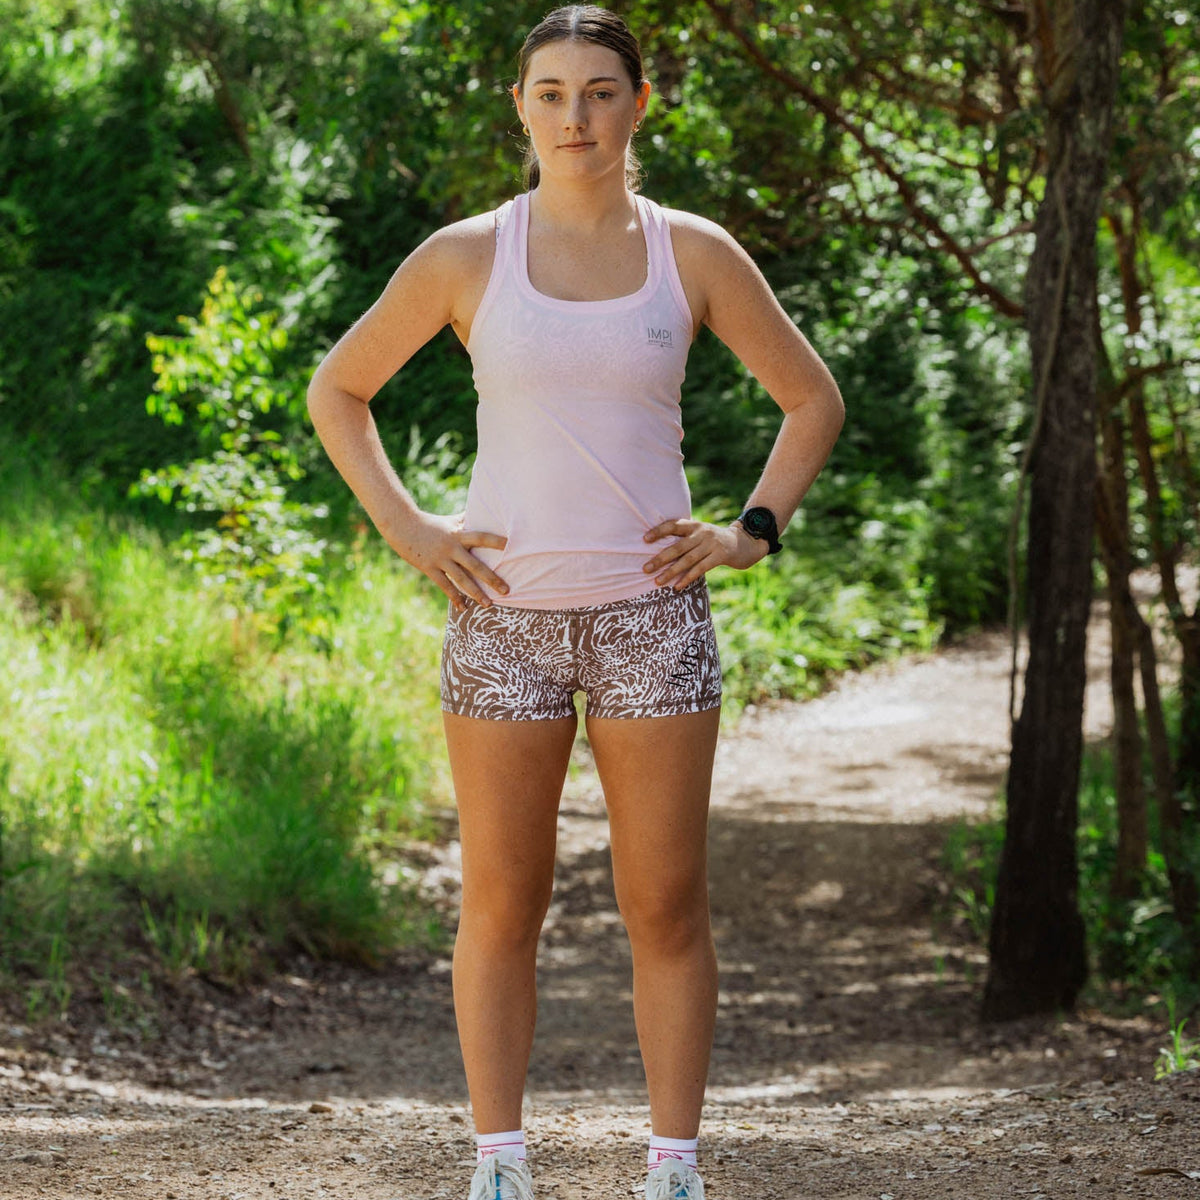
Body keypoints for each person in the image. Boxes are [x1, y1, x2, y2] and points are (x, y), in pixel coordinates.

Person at [307, 7, 844, 1198]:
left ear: (638, 104)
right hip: (501, 616)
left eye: (600, 92)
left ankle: (675, 1170)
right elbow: (339, 388)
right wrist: (410, 528)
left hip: (653, 616)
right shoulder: (465, 256)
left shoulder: (691, 253)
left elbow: (811, 398)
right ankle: (500, 1164)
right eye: (551, 93)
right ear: (521, 107)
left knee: (665, 902)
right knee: (503, 901)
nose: (575, 117)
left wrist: (750, 532)